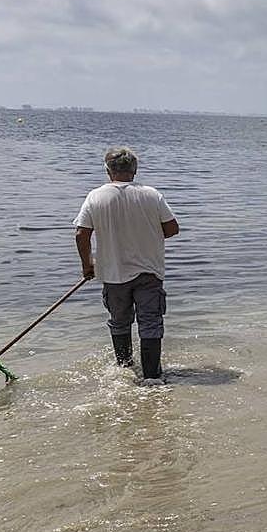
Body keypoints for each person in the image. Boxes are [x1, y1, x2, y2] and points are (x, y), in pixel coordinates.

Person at [74, 147, 179, 382]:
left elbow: (81, 234)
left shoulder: (95, 196)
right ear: (135, 170)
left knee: (119, 323)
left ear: (107, 170)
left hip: (113, 273)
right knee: (150, 323)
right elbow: (172, 228)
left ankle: (124, 370)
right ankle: (152, 377)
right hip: (149, 271)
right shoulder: (152, 195)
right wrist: (147, 233)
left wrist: (87, 265)